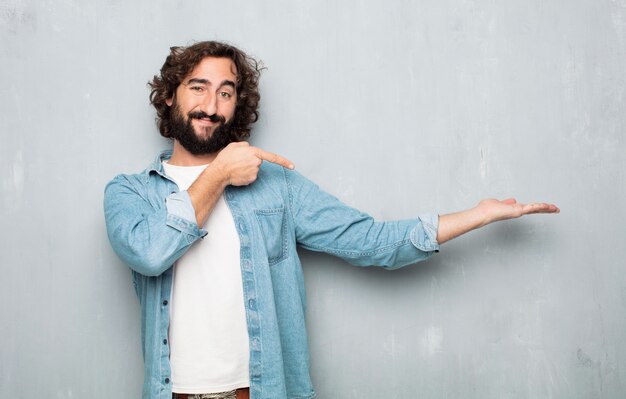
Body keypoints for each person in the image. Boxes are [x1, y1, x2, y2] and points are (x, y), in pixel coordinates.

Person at [103, 40, 559, 399]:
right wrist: (220, 172)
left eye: (226, 91)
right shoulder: (131, 193)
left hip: (263, 390)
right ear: (168, 98)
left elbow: (370, 241)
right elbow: (150, 254)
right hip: (174, 391)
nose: (213, 104)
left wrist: (477, 215)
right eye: (198, 87)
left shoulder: (274, 185)